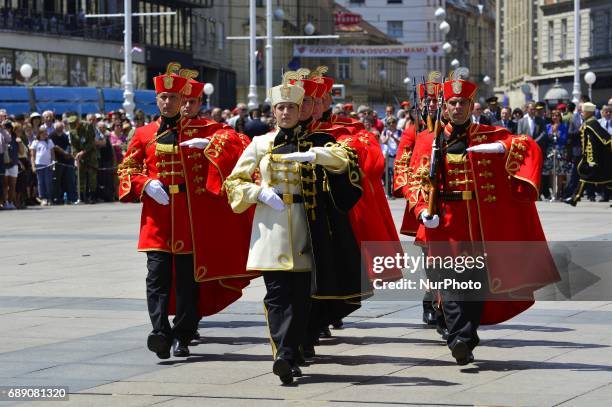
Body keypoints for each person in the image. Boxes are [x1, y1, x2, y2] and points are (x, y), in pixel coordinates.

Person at [407, 75, 559, 365]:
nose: (457, 108)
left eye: (463, 103)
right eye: (452, 103)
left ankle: (465, 337)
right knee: (448, 285)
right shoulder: (430, 139)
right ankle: (459, 339)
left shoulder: (488, 135)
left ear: (471, 105)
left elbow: (526, 145)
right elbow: (415, 181)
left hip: (475, 224)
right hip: (442, 223)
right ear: (445, 106)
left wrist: (504, 149)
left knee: (474, 284)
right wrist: (421, 211)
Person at [224, 72, 363, 384]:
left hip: (304, 227)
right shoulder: (259, 144)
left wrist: (315, 154)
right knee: (276, 295)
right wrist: (257, 192)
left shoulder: (317, 142)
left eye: (291, 107)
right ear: (273, 112)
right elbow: (233, 182)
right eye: (280, 107)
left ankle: (290, 350)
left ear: (301, 111)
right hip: (270, 227)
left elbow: (344, 160)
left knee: (299, 297)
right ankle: (284, 355)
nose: (285, 112)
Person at [117, 64, 255, 360]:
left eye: (173, 98)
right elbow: (126, 169)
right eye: (162, 97)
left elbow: (236, 141)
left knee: (187, 280)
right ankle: (159, 330)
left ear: (183, 101)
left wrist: (212, 144)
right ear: (157, 100)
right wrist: (145, 183)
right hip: (157, 218)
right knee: (156, 277)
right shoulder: (143, 134)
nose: (167, 102)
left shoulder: (200, 130)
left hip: (190, 218)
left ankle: (183, 333)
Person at [564, 102, 612, 206]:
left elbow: (605, 139)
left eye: (583, 111)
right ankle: (574, 199)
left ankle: (575, 199)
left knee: (584, 177)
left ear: (588, 112)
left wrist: (591, 159)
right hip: (590, 158)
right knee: (607, 179)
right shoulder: (589, 123)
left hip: (594, 158)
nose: (581, 113)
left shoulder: (592, 124)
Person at [67, 113, 97, 203]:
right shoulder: (72, 131)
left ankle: (92, 196)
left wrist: (83, 151)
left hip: (90, 154)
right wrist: (76, 156)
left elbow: (91, 142)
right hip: (80, 156)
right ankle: (82, 197)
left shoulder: (88, 126)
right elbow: (73, 145)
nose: (73, 127)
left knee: (92, 176)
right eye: (71, 125)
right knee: (80, 175)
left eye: (74, 124)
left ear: (78, 122)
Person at [543, 110, 570, 200]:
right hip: (550, 150)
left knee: (560, 172)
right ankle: (552, 192)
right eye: (553, 115)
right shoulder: (548, 126)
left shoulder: (564, 126)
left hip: (560, 150)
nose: (555, 117)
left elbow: (564, 139)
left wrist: (557, 134)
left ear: (560, 117)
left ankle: (559, 192)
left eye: (557, 115)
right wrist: (551, 134)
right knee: (551, 172)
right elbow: (546, 138)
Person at [50, 121, 76, 204]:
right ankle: (57, 198)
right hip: (58, 161)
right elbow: (54, 147)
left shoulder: (65, 136)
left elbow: (68, 146)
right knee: (57, 181)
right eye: (59, 128)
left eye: (61, 128)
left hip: (66, 161)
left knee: (68, 180)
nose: (60, 129)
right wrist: (64, 153)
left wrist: (68, 154)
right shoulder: (52, 136)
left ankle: (70, 198)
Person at [30, 124, 55, 206]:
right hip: (39, 165)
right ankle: (43, 198)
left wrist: (52, 162)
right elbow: (32, 155)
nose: (45, 134)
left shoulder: (49, 141)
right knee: (40, 182)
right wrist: (33, 165)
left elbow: (52, 154)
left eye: (46, 133)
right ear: (39, 134)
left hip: (48, 165)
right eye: (43, 133)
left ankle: (49, 197)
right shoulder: (35, 142)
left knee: (48, 181)